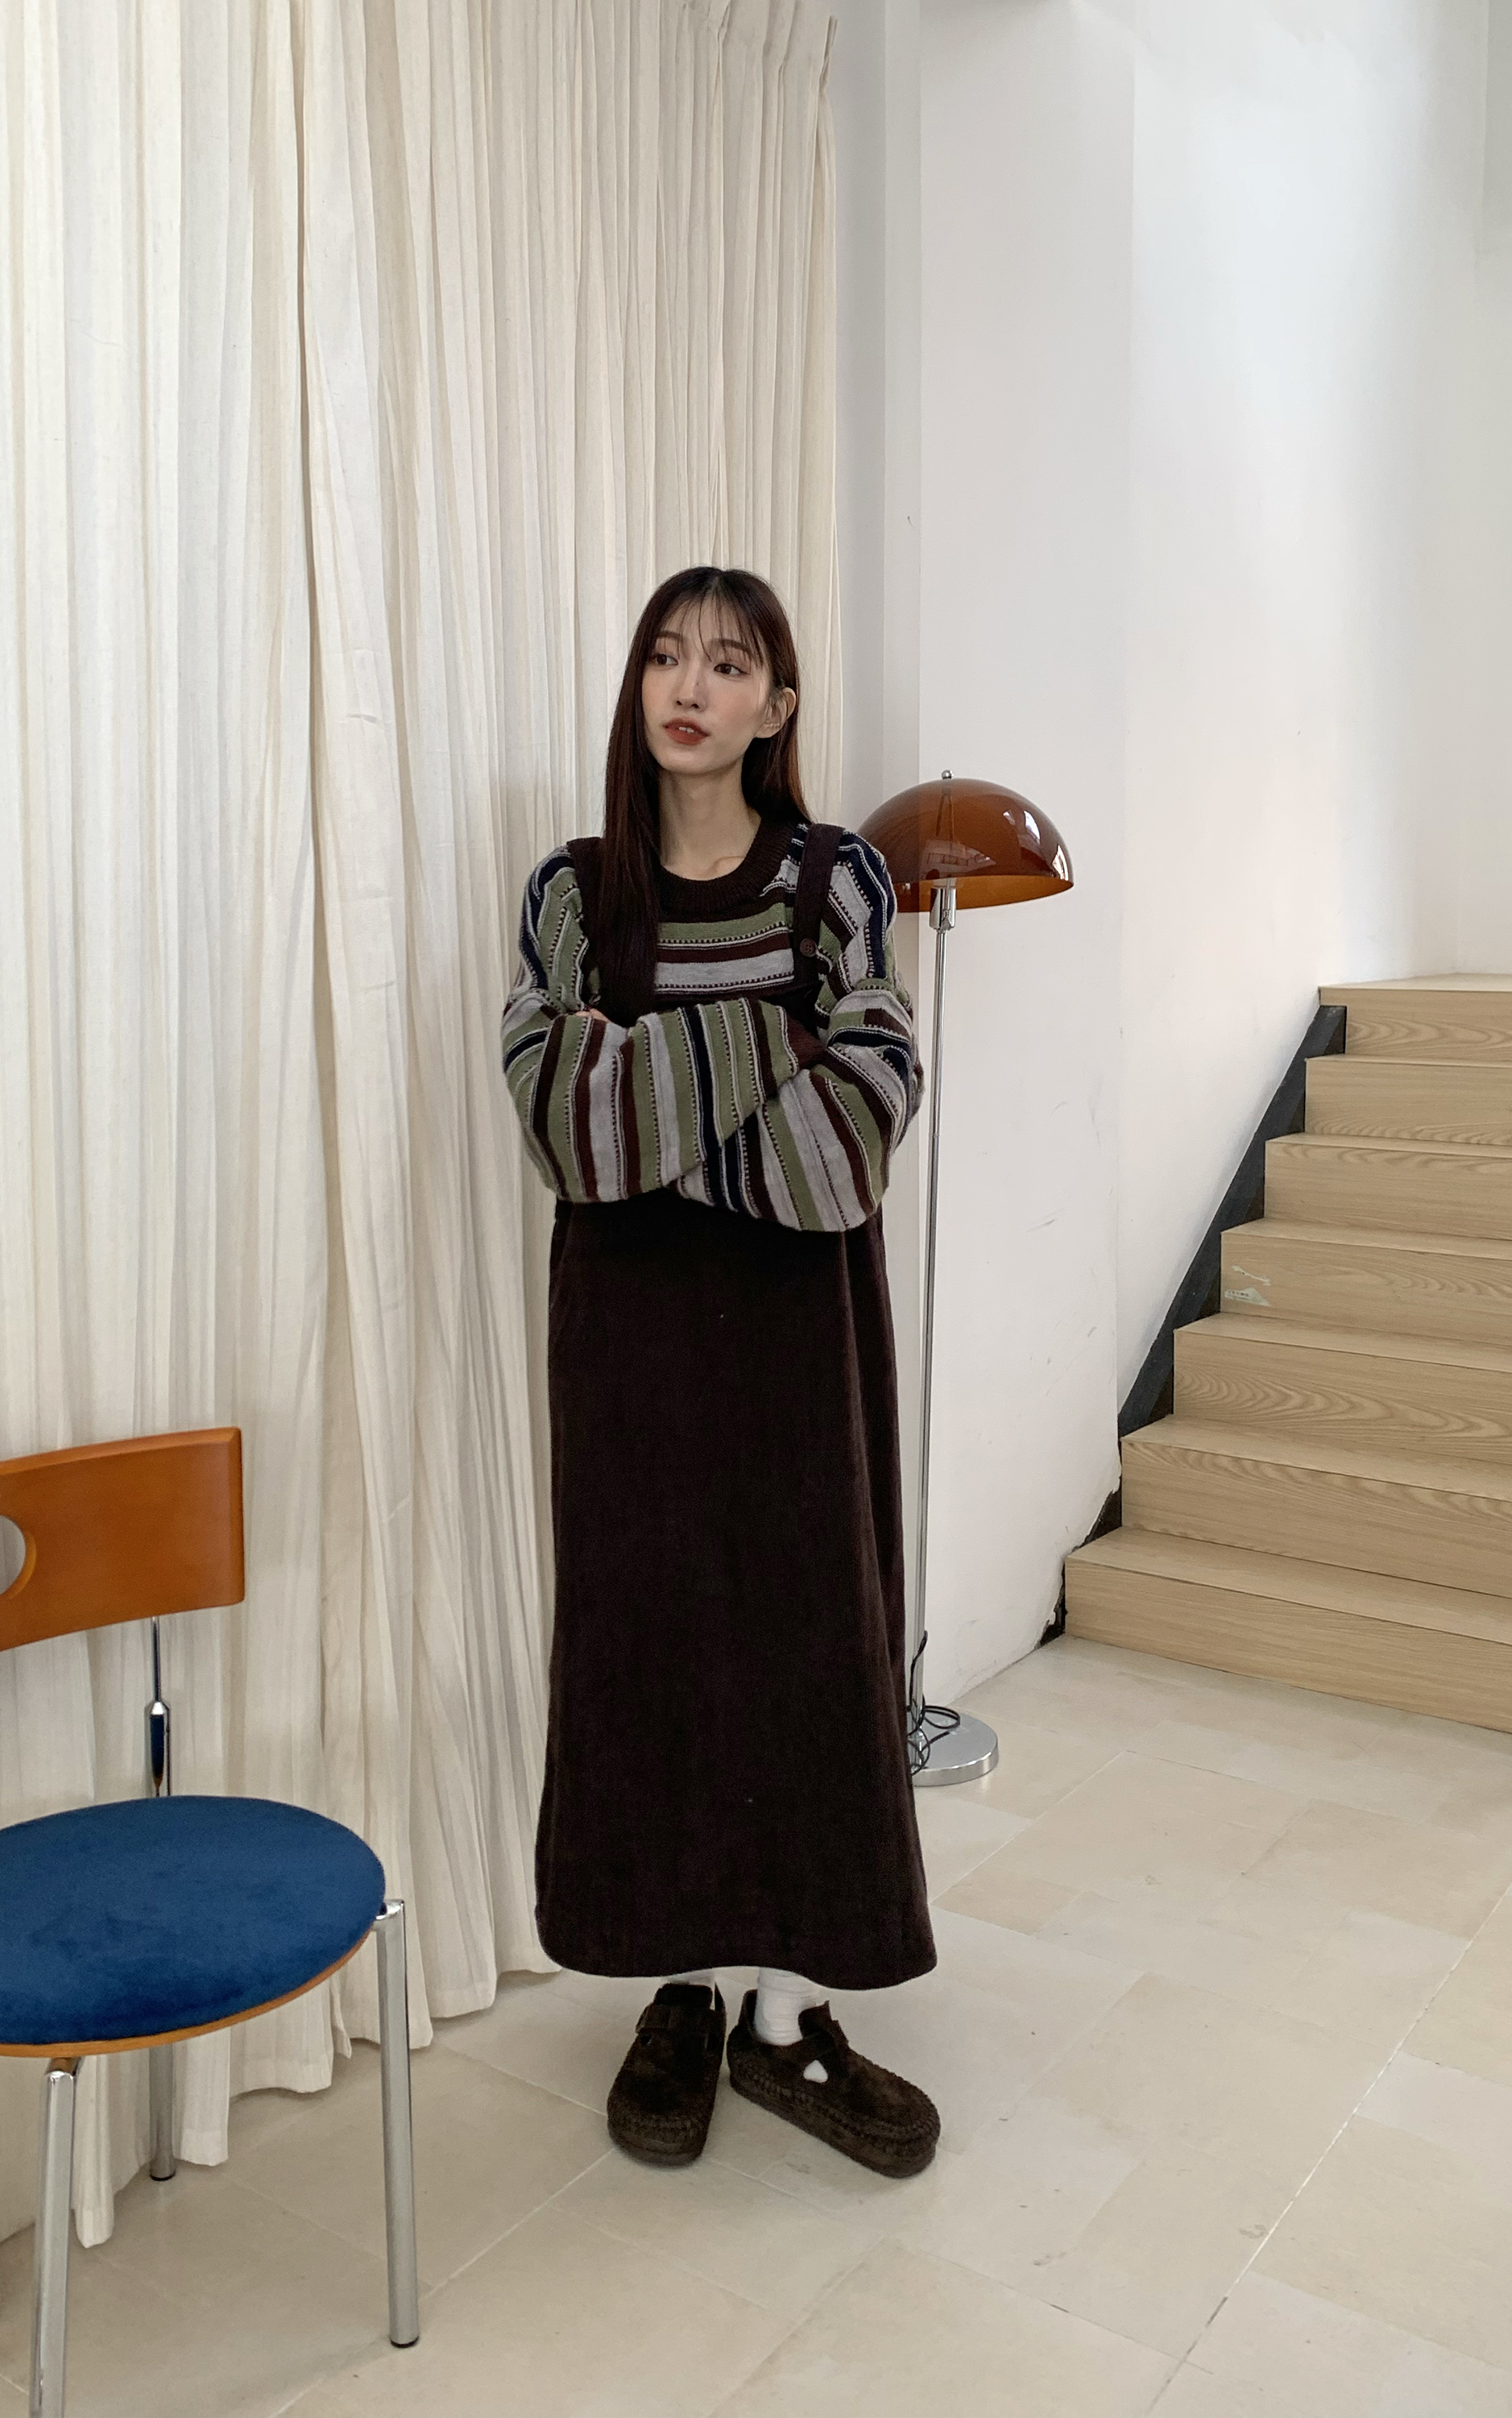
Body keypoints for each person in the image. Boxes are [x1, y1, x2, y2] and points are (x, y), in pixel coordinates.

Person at [499, 564, 939, 2179]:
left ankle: (788, 2011)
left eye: (732, 663)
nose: (691, 686)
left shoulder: (836, 879)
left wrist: (654, 1112)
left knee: (809, 1652)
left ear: (779, 705)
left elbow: (859, 1127)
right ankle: (680, 1992)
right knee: (654, 1647)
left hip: (799, 1340)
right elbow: (561, 1118)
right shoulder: (572, 892)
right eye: (667, 657)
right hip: (628, 1347)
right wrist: (764, 1040)